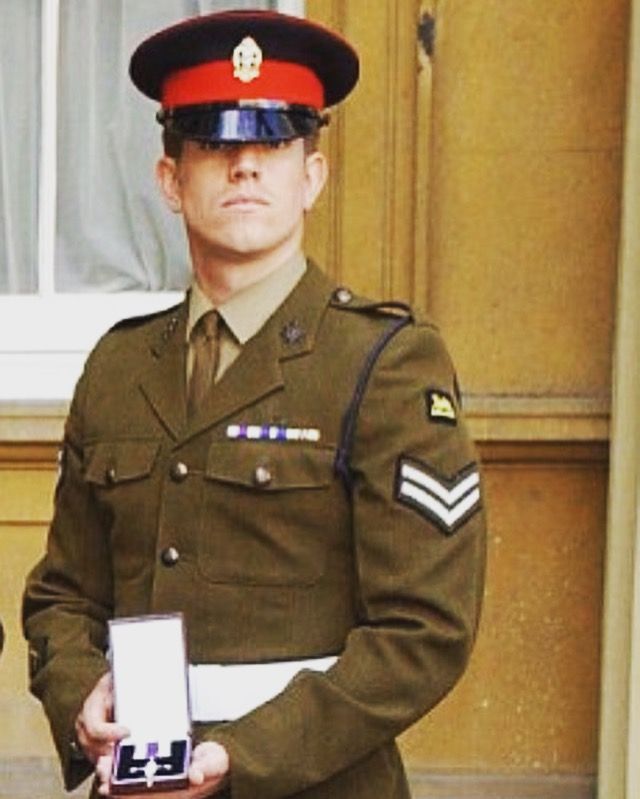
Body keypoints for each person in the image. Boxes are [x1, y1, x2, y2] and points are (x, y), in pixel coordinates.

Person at [22, 9, 486, 799]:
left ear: (311, 177)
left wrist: (245, 754)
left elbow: (424, 630)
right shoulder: (118, 364)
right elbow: (65, 594)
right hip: (134, 782)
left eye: (272, 142)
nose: (245, 166)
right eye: (214, 142)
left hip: (316, 784)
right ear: (171, 180)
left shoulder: (384, 362)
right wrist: (80, 700)